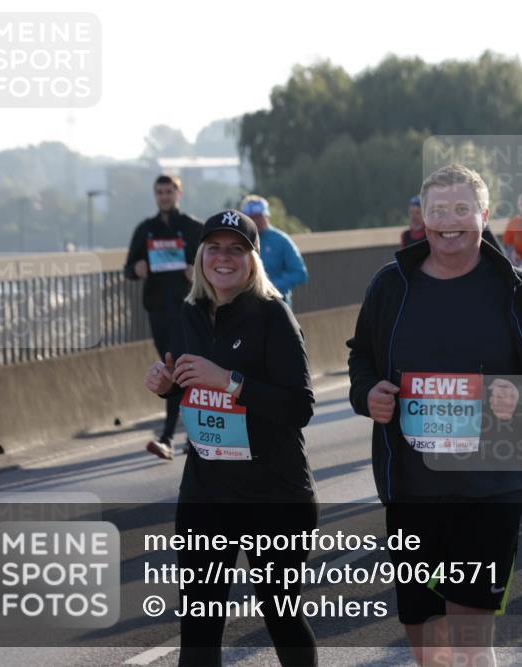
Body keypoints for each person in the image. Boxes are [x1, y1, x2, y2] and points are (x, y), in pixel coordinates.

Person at [347, 164, 522, 665]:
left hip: (488, 489)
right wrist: (366, 392)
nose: (448, 221)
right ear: (422, 217)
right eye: (437, 210)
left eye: (462, 209)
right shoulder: (390, 286)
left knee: (470, 641)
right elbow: (361, 356)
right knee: (425, 641)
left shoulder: (518, 289)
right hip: (412, 491)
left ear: (483, 215)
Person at [144, 209, 318, 665]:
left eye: (237, 249)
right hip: (207, 491)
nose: (224, 258)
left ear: (253, 260)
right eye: (214, 248)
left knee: (281, 616)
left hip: (273, 493)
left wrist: (230, 381)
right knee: (199, 628)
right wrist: (167, 383)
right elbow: (186, 377)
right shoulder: (190, 314)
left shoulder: (274, 315)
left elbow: (299, 408)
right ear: (201, 257)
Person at [125, 174, 203, 460]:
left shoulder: (193, 227)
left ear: (178, 193)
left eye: (169, 191)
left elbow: (213, 263)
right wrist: (137, 269)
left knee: (176, 368)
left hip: (188, 308)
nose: (164, 196)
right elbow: (128, 269)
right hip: (158, 310)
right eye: (159, 192)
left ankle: (169, 437)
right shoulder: (146, 229)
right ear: (154, 195)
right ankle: (191, 436)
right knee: (175, 370)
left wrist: (197, 272)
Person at [240, 195, 308, 305]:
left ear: (267, 216)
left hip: (276, 303)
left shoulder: (281, 240)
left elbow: (299, 273)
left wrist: (271, 286)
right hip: (245, 303)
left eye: (259, 216)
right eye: (251, 217)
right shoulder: (238, 240)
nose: (255, 221)